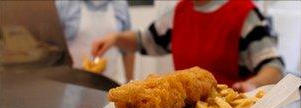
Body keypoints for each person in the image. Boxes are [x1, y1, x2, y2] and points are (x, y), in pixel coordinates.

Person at [91, 0, 285, 92]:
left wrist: (253, 84)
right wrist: (116, 38)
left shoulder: (244, 14)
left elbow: (274, 67)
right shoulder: (180, 12)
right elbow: (146, 40)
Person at [55, 0, 134, 84]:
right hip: (73, 83)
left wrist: (130, 82)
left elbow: (128, 49)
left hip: (110, 83)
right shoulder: (64, 4)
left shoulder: (120, 4)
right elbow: (54, 46)